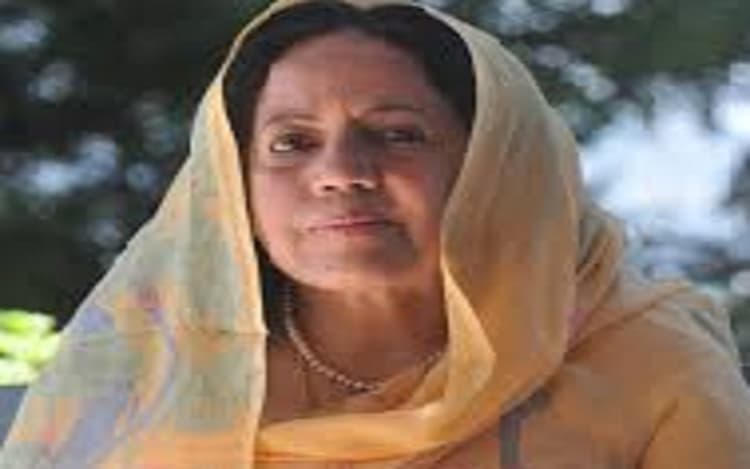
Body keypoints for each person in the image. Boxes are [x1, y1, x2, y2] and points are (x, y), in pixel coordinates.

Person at [2, 0, 749, 467]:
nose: (340, 172)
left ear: (495, 166)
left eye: (397, 134)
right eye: (291, 143)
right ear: (234, 185)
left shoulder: (651, 372)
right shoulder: (146, 366)